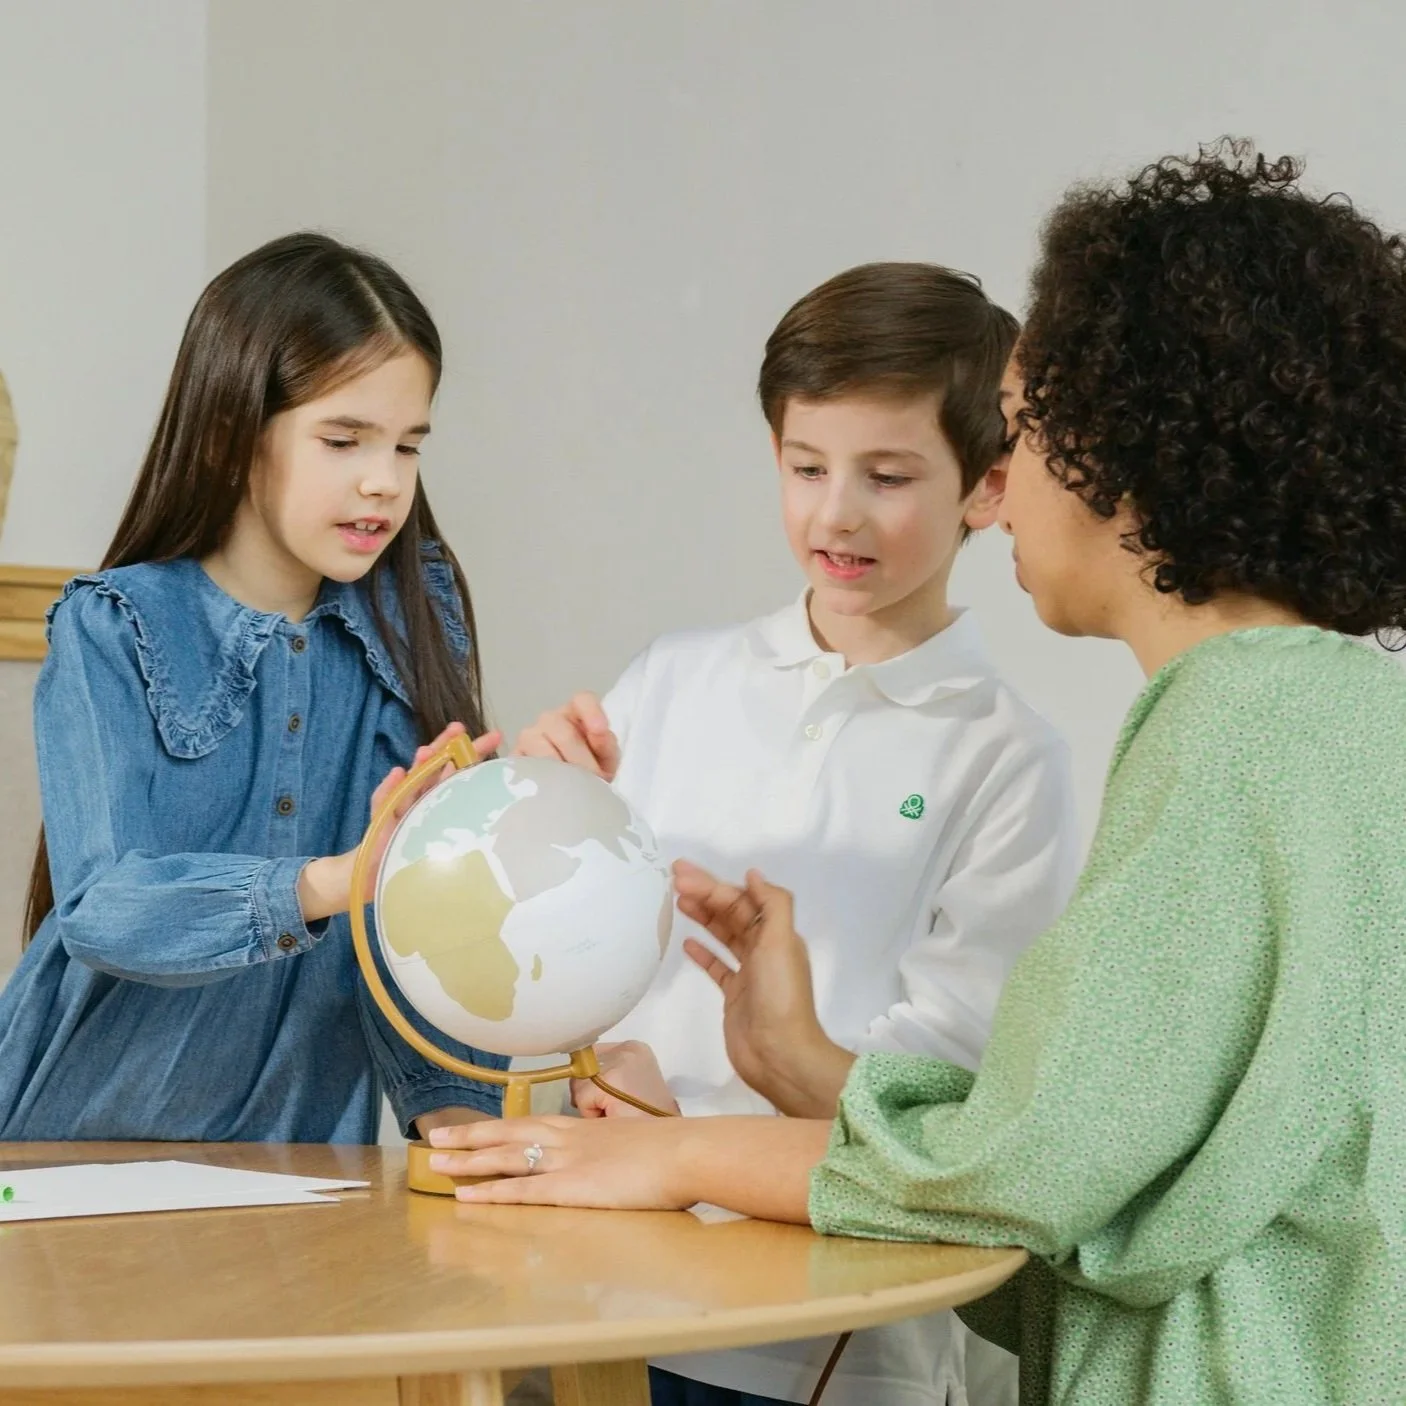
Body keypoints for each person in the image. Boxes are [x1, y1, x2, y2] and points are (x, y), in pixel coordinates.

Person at [428, 143, 1406, 1404]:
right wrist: (792, 1062)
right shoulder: (1342, 715)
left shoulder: (1228, 736)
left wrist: (676, 1160)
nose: (1008, 494)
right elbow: (1117, 1159)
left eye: (1033, 434)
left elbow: (1024, 1171)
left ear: (1132, 455)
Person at [515, 263, 1081, 1406]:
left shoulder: (1005, 754)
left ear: (987, 486)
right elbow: (548, 967)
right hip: (597, 1297)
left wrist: (701, 1129)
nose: (835, 513)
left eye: (886, 475)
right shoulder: (670, 679)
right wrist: (528, 795)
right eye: (804, 466)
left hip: (831, 1335)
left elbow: (943, 1101)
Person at [0, 232, 507, 1144]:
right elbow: (101, 908)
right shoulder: (114, 624)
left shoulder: (416, 624)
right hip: (71, 1145)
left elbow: (417, 940)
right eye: (343, 439)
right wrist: (329, 882)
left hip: (299, 1160)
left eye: (408, 446)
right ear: (234, 433)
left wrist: (460, 1122)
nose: (382, 482)